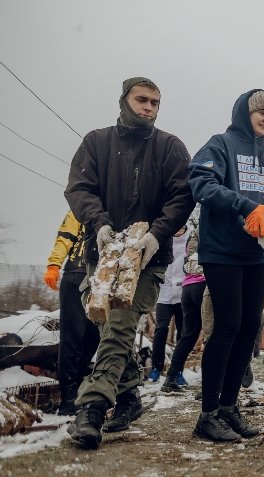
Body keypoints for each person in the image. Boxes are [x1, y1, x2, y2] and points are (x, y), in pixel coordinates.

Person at [64, 77, 195, 449]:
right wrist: (99, 223)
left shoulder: (169, 147)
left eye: (155, 102)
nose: (149, 108)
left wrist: (157, 234)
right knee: (106, 323)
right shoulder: (96, 142)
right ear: (125, 100)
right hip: (102, 253)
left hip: (150, 258)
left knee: (120, 321)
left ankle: (91, 407)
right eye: (142, 100)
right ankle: (128, 394)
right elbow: (78, 187)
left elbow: (182, 196)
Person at [188, 89, 264, 442]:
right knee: (226, 324)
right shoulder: (220, 144)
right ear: (245, 111)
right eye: (261, 112)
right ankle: (207, 414)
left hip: (258, 254)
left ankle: (229, 407)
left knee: (249, 327)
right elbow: (201, 183)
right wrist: (245, 206)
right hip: (223, 250)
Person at [43, 210, 100, 415]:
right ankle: (68, 398)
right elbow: (65, 235)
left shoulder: (117, 205)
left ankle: (78, 388)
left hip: (101, 281)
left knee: (93, 337)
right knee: (72, 337)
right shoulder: (81, 207)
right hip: (76, 274)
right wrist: (54, 264)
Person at [161, 207, 205, 393]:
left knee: (188, 335)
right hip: (205, 284)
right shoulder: (215, 230)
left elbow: (188, 260)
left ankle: (170, 378)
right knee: (214, 334)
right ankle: (210, 385)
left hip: (188, 287)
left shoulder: (194, 235)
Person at [148, 225, 188, 382]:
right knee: (160, 330)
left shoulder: (188, 242)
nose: (177, 229)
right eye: (176, 227)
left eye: (181, 227)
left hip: (183, 294)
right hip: (164, 294)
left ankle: (178, 371)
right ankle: (156, 368)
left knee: (182, 333)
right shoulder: (164, 239)